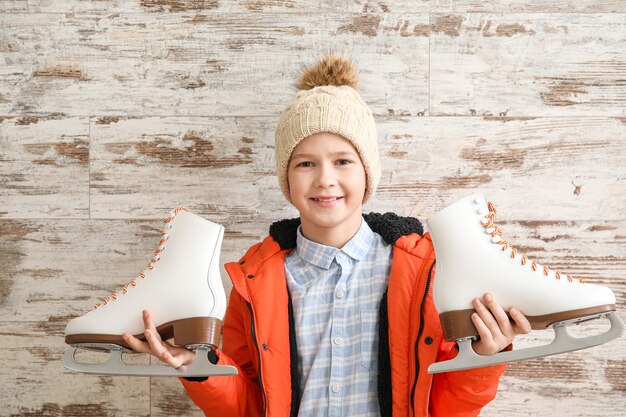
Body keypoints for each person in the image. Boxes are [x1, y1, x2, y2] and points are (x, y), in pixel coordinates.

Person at [123, 53, 531, 417]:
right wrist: (195, 367)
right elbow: (246, 406)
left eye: (342, 161)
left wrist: (482, 358)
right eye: (305, 164)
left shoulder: (424, 270)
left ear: (367, 171)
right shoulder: (254, 281)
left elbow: (444, 407)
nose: (325, 179)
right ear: (286, 176)